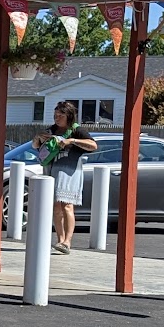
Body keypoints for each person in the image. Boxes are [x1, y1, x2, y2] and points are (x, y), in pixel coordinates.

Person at [34, 99, 99, 254]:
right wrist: (38, 139)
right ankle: (60, 240)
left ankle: (67, 242)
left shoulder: (77, 130)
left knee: (67, 205)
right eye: (55, 115)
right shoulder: (52, 130)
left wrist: (72, 140)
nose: (57, 118)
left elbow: (93, 145)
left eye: (60, 115)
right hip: (53, 169)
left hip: (70, 170)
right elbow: (36, 146)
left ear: (68, 116)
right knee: (56, 207)